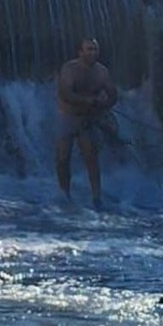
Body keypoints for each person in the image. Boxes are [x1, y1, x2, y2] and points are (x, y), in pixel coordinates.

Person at [55, 38, 118, 208]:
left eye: (95, 49)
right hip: (67, 117)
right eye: (89, 49)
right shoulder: (69, 69)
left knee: (91, 158)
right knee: (62, 159)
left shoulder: (102, 71)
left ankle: (96, 197)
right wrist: (87, 100)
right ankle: (64, 195)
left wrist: (104, 105)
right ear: (80, 52)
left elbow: (113, 94)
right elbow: (65, 93)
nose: (93, 53)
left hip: (88, 119)